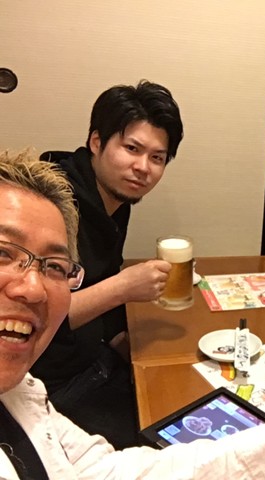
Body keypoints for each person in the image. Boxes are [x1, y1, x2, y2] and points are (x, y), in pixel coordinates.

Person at [0, 151, 265, 479]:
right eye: (3, 253)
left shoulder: (21, 394)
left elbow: (104, 470)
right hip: (76, 379)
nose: (33, 288)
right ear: (97, 142)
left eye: (54, 266)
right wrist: (121, 289)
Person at [31, 80, 184, 448]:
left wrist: (123, 344)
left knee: (185, 397)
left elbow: (100, 276)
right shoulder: (52, 205)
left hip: (92, 361)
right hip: (47, 387)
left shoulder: (113, 199)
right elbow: (34, 312)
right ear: (96, 142)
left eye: (157, 158)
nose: (142, 167)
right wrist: (123, 288)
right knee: (168, 445)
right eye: (132, 148)